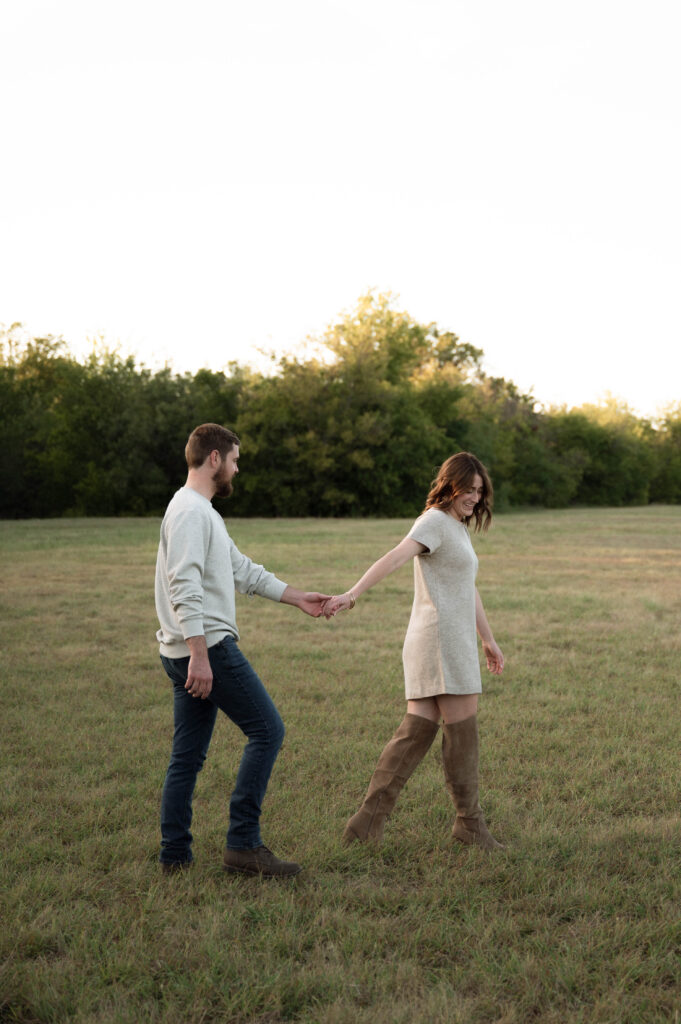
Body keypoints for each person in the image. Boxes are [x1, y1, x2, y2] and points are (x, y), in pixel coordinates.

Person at [155, 423, 329, 877]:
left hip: (183, 651)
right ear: (214, 458)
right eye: (234, 459)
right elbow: (184, 584)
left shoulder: (197, 509)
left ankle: (175, 855)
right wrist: (200, 653)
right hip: (205, 648)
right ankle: (243, 845)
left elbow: (242, 570)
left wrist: (297, 597)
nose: (236, 468)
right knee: (267, 731)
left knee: (187, 756)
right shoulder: (192, 512)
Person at [323, 451, 505, 850]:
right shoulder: (434, 522)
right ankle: (469, 825)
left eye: (479, 491)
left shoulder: (456, 528)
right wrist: (352, 595)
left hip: (450, 639)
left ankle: (365, 824)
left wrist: (487, 638)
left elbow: (466, 586)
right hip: (439, 641)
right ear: (450, 484)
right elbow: (394, 558)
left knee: (416, 731)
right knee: (462, 731)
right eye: (468, 489)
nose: (474, 497)